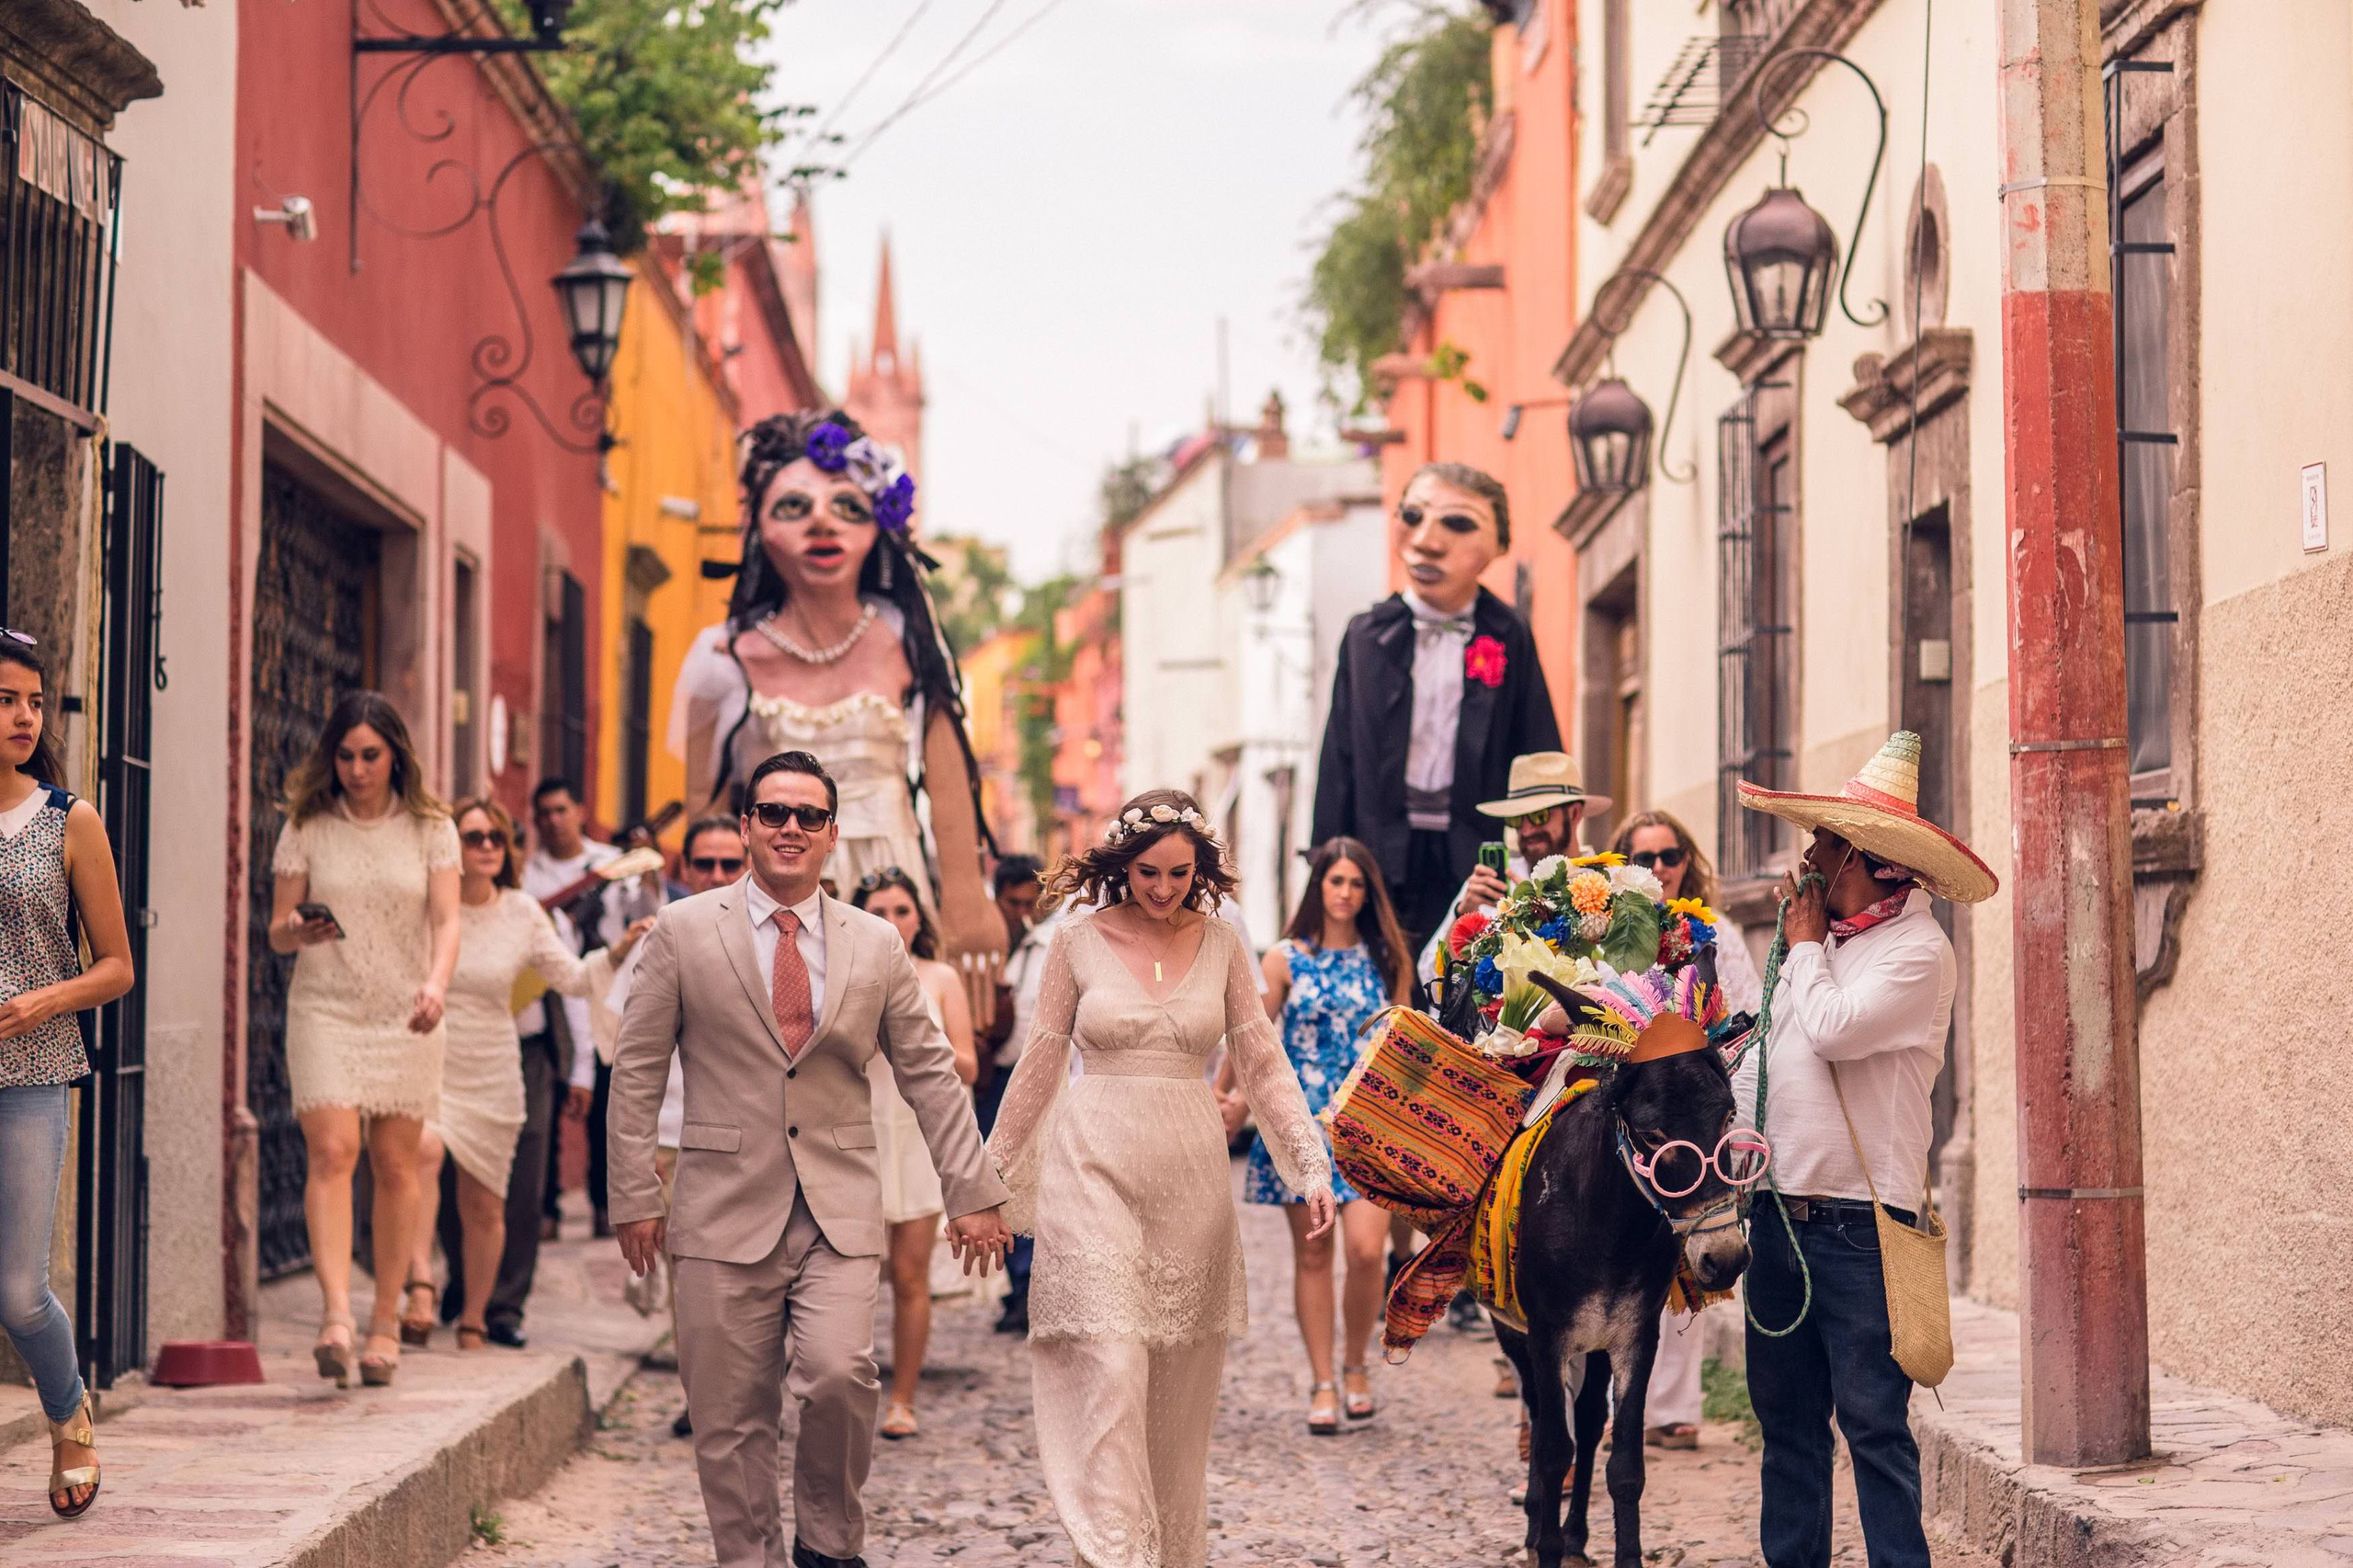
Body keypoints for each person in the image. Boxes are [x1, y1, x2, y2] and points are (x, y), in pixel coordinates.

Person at [608, 750, 1012, 1568]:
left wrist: (971, 1190)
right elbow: (639, 1064)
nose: (790, 827)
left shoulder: (875, 944)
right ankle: (747, 1556)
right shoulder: (686, 931)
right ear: (749, 826)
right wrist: (633, 1193)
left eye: (809, 816)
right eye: (774, 813)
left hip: (838, 1204)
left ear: (832, 835)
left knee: (838, 1376)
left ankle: (828, 1545)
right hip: (719, 1203)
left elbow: (930, 1072)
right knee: (728, 1413)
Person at [987, 790, 1334, 1568]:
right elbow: (1040, 1064)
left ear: (1200, 870)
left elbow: (1262, 1060)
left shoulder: (1221, 946)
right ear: (1122, 865)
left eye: (1180, 874)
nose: (1163, 889)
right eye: (1148, 872)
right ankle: (1116, 1553)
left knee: (1176, 1396)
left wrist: (1308, 1160)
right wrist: (990, 1179)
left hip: (1189, 1180)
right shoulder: (1074, 942)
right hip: (1092, 1165)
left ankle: (1167, 1553)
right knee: (1108, 1364)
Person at [1732, 732, 1997, 1568]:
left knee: (1876, 1430)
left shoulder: (1920, 952)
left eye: (1822, 848)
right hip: (1778, 1219)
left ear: (1870, 860)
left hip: (1860, 1232)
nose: (1805, 865)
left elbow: (1836, 1033)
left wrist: (1804, 943)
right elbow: (1769, 1066)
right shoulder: (1821, 947)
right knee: (1788, 1432)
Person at [669, 411, 1005, 1028]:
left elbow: (947, 764)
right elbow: (706, 811)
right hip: (775, 882)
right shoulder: (723, 656)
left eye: (847, 507)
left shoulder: (909, 638)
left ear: (879, 527)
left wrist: (965, 894)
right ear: (760, 528)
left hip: (891, 883)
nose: (822, 521)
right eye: (794, 506)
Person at [404, 799, 649, 1349]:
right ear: (452, 847)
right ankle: (420, 1282)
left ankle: (474, 1319)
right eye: (473, 838)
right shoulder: (427, 910)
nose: (487, 847)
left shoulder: (521, 912)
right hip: (431, 1059)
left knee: (487, 1204)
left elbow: (571, 978)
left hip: (495, 1064)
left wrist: (617, 951)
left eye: (496, 837)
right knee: (422, 1153)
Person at [267, 690, 460, 1388]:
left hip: (407, 1010)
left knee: (398, 1166)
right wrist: (297, 930)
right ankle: (335, 1318)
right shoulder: (308, 825)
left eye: (370, 755)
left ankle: (386, 1321)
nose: (356, 768)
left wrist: (437, 984)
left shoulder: (432, 828)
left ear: (395, 754)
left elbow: (445, 921)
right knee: (333, 1150)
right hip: (326, 1006)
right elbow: (277, 928)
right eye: (345, 755)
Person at [1313, 462, 1561, 951]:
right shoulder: (1366, 634)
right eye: (1412, 515)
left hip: (1473, 854)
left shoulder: (1508, 634)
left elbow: (1537, 751)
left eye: (1459, 523)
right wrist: (1327, 860)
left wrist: (1547, 865)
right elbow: (1338, 758)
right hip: (1378, 854)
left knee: (1465, 982)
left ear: (1498, 546)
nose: (1426, 541)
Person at [0, 630, 133, 1517]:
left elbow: (118, 966)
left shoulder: (67, 818)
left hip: (32, 1073)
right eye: (7, 699)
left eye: (35, 701)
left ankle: (69, 1413)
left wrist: (45, 1001)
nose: (23, 717)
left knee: (17, 1290)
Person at [1226, 836, 1410, 1435]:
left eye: (1357, 884)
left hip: (1370, 1126)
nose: (1346, 893)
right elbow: (1253, 1031)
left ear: (1368, 892)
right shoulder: (1284, 958)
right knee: (1312, 1253)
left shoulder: (1388, 957)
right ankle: (1323, 1381)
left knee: (1364, 1253)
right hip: (1299, 1128)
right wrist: (1228, 1091)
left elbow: (1404, 1044)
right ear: (1319, 886)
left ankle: (1357, 1364)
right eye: (1337, 882)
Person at [1602, 807, 1762, 1451]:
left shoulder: (1714, 931)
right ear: (1624, 867)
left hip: (1693, 1118)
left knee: (1690, 1262)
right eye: (1645, 860)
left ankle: (1673, 1407)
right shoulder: (1607, 934)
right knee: (1621, 1266)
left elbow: (1750, 1012)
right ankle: (1617, 1406)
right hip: (1630, 1121)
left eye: (1670, 857)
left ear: (1687, 861)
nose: (1661, 870)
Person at [591, 813, 745, 1441]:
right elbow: (619, 1049)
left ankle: (754, 1386)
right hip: (677, 1134)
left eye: (727, 864)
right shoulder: (665, 938)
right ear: (684, 871)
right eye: (703, 864)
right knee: (694, 1278)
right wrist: (639, 1152)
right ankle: (705, 1398)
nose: (714, 875)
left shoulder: (782, 936)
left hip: (759, 1137)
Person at [849, 865, 979, 1440]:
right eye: (878, 912)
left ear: (918, 916)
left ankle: (903, 1398)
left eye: (901, 910)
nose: (892, 922)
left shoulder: (942, 977)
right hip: (854, 1133)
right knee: (847, 1279)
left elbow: (971, 1065)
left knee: (909, 1275)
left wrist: (915, 1048)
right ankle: (841, 1394)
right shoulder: (844, 972)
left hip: (917, 1137)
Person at [523, 777, 661, 1254]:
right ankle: (545, 1208)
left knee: (608, 1095)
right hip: (552, 989)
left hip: (608, 979)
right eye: (544, 813)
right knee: (550, 1091)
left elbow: (646, 914)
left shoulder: (610, 864)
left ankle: (605, 1203)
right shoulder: (530, 875)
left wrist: (647, 872)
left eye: (561, 810)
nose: (553, 821)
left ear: (580, 810)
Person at [1415, 750, 1606, 991]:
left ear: (1575, 813)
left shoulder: (1606, 885)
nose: (1525, 831)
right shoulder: (1491, 883)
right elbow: (1431, 978)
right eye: (1516, 819)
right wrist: (1462, 914)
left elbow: (1621, 981)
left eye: (1538, 816)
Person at [976, 854, 1045, 1333]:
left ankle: (1026, 1287)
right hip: (991, 1075)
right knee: (993, 1181)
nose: (1021, 910)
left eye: (1029, 901)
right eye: (1012, 901)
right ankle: (1010, 1285)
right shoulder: (979, 940)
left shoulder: (1045, 941)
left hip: (1031, 1075)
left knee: (1026, 1181)